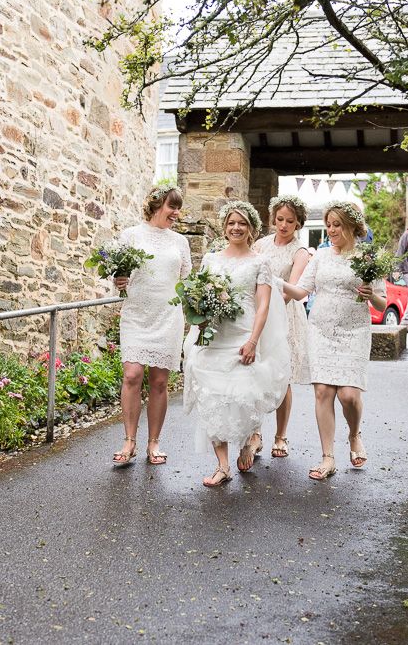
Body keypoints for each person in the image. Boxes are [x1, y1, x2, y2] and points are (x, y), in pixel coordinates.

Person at [183, 200, 290, 486]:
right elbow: (197, 297)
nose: (236, 227)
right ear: (224, 226)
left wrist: (254, 340)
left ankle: (247, 440)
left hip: (243, 333)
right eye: (231, 222)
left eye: (242, 223)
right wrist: (200, 320)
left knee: (242, 395)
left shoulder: (260, 262)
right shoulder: (211, 259)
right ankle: (222, 465)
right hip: (214, 335)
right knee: (212, 396)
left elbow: (263, 304)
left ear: (251, 228)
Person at [280, 202, 387, 480]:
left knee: (349, 395)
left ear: (352, 226)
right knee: (323, 393)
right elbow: (302, 290)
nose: (331, 230)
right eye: (329, 224)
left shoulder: (367, 258)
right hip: (321, 330)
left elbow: (381, 303)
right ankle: (327, 457)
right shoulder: (321, 257)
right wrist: (275, 282)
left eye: (336, 224)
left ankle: (354, 434)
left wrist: (369, 295)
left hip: (354, 331)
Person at [112, 185, 192, 466]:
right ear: (157, 205)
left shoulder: (180, 242)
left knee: (159, 381)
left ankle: (153, 443)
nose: (176, 213)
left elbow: (186, 281)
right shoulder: (131, 235)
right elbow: (120, 274)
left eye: (178, 208)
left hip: (167, 317)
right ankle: (129, 440)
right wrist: (119, 281)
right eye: (173, 207)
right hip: (136, 313)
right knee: (132, 375)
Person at [254, 195, 311, 458]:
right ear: (272, 218)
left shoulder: (301, 252)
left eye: (290, 221)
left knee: (282, 378)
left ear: (298, 223)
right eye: (279, 220)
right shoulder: (261, 245)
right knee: (256, 374)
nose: (284, 225)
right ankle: (255, 433)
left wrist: (270, 307)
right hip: (258, 314)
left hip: (285, 316)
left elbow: (293, 289)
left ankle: (281, 435)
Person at [396, 226, 408, 325]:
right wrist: (397, 274)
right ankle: (406, 320)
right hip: (406, 270)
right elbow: (399, 254)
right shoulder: (407, 235)